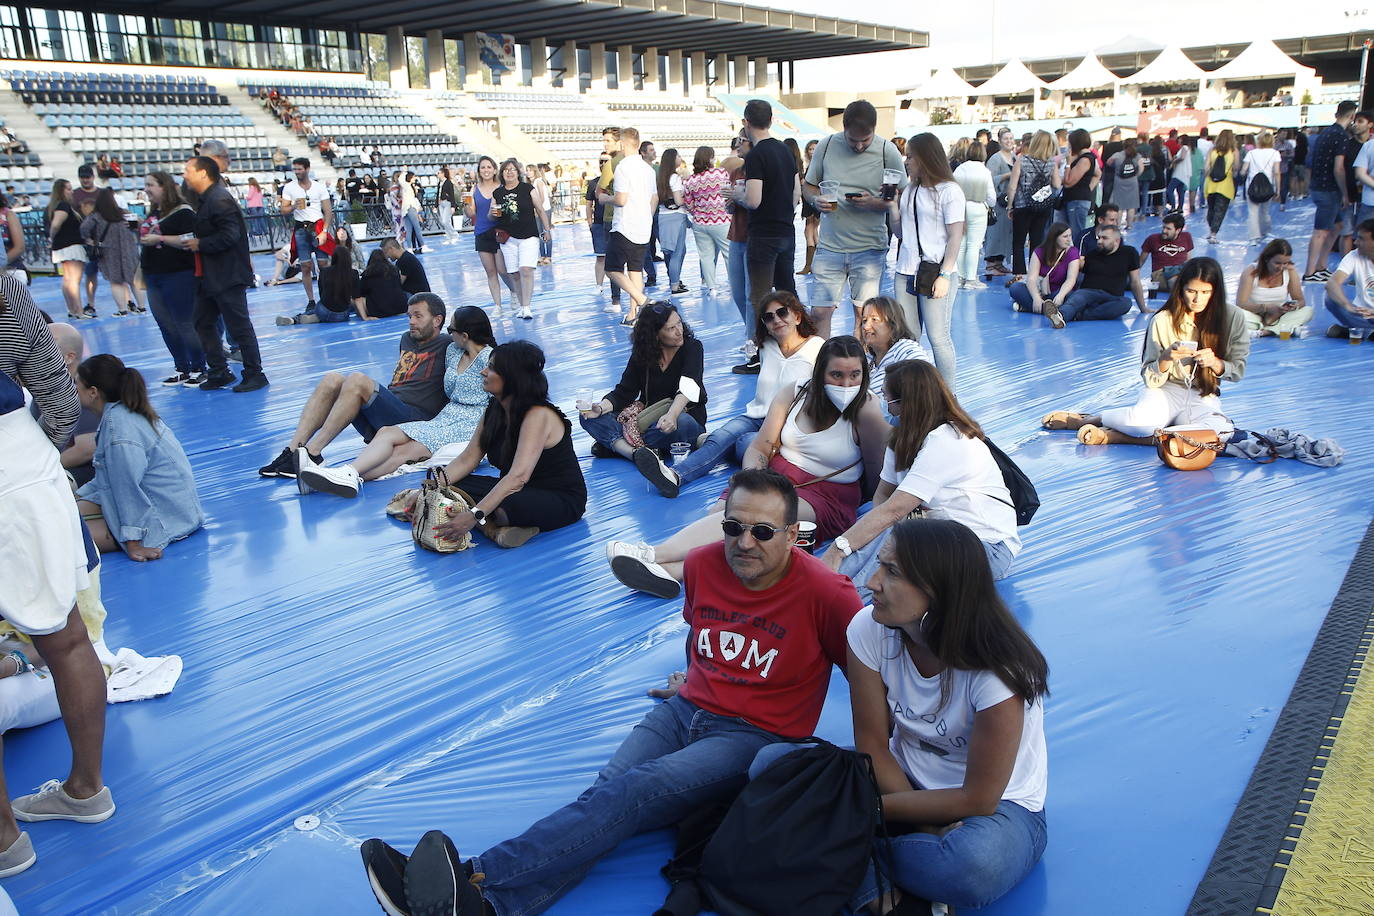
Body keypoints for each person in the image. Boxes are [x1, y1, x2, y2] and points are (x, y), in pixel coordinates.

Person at [363, 469, 860, 915]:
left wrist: (879, 760)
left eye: (763, 532)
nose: (745, 542)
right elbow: (701, 632)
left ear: (794, 535)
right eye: (734, 526)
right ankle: (486, 907)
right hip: (686, 709)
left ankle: (477, 874)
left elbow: (865, 672)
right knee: (604, 799)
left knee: (631, 792)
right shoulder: (705, 564)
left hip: (752, 735)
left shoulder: (825, 593)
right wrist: (694, 678)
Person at [817, 516, 1047, 912]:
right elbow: (873, 744)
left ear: (938, 591)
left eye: (891, 572)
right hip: (898, 782)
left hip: (993, 809)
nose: (872, 582)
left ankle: (835, 854)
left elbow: (978, 797)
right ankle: (875, 878)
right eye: (879, 566)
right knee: (771, 765)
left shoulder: (1000, 672)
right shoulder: (869, 628)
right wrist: (923, 825)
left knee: (973, 866)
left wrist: (859, 814)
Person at [607, 336, 887, 599]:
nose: (846, 384)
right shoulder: (796, 393)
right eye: (836, 375)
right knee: (723, 513)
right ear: (820, 373)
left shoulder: (866, 409)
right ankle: (673, 572)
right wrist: (755, 478)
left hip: (826, 494)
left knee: (756, 518)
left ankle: (655, 554)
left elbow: (877, 473)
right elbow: (760, 446)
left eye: (855, 375)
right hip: (775, 475)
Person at [0, 281, 115, 876]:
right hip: (23, 463)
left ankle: (4, 840)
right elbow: (57, 390)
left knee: (65, 640)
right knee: (68, 636)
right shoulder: (4, 290)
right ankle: (86, 788)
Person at [825, 358, 1021, 595]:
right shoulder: (902, 439)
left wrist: (838, 549)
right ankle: (826, 584)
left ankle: (845, 600)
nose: (886, 407)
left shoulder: (948, 441)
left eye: (889, 399)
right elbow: (883, 498)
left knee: (901, 547)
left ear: (908, 403)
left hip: (986, 550)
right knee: (886, 532)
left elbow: (893, 509)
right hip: (939, 532)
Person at [395, 339, 590, 548]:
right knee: (454, 486)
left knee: (504, 507)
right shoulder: (494, 410)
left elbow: (518, 477)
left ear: (512, 378)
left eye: (492, 368)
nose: (483, 372)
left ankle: (489, 523)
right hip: (517, 490)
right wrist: (430, 489)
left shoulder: (538, 415)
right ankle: (494, 530)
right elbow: (467, 460)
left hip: (558, 499)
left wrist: (473, 515)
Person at [634, 291, 822, 498]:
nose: (776, 320)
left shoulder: (817, 349)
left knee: (743, 444)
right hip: (756, 416)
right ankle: (674, 476)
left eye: (782, 313)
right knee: (721, 437)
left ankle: (744, 477)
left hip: (789, 425)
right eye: (769, 317)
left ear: (797, 316)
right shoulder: (767, 347)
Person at [1043, 256, 1247, 446]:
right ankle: (1092, 419)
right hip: (1166, 389)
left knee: (1220, 433)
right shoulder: (1163, 320)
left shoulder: (1233, 317)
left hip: (1203, 393)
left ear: (1216, 292)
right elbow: (1150, 378)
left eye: (1205, 293)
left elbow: (1237, 370)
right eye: (1191, 291)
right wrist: (1165, 360)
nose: (1197, 300)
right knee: (1142, 424)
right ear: (1181, 289)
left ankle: (1114, 436)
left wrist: (1216, 363)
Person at [299, 306, 495, 497]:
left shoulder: (490, 359)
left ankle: (348, 475)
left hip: (471, 423)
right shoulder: (453, 351)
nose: (448, 334)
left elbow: (498, 398)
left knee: (404, 452)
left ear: (464, 335)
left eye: (451, 330)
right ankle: (346, 474)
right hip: (447, 416)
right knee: (387, 432)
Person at [258, 296, 451, 478]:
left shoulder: (448, 344)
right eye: (410, 316)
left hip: (413, 421)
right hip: (389, 413)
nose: (411, 321)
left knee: (358, 380)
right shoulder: (407, 338)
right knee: (332, 379)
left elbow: (475, 343)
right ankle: (293, 451)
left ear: (437, 320)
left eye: (418, 316)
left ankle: (313, 452)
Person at [71, 354, 202, 559]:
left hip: (165, 522)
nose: (73, 390)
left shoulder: (119, 430)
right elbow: (110, 477)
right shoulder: (123, 413)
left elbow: (127, 488)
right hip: (177, 511)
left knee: (60, 537)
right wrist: (75, 496)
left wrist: (134, 543)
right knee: (64, 515)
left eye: (76, 386)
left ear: (93, 392)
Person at [803, 100, 905, 337]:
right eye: (853, 140)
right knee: (819, 312)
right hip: (830, 246)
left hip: (869, 247)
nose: (859, 146)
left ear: (875, 130)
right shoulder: (827, 146)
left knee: (865, 315)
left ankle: (860, 368)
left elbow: (901, 193)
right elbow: (809, 186)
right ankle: (822, 365)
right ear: (843, 129)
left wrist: (875, 203)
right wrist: (815, 200)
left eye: (865, 140)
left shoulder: (886, 150)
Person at [579, 301, 707, 464]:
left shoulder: (693, 347)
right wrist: (600, 408)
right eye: (670, 328)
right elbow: (624, 392)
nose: (679, 331)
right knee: (587, 417)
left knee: (682, 423)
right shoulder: (643, 354)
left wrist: (672, 415)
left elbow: (689, 386)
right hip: (647, 421)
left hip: (679, 417)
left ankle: (618, 445)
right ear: (655, 335)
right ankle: (635, 453)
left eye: (679, 323)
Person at [183, 156, 266, 393]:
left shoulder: (219, 199)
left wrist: (201, 244)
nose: (185, 175)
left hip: (226, 275)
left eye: (188, 170)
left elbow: (231, 235)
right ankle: (219, 371)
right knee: (202, 321)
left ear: (203, 173)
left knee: (238, 326)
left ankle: (254, 373)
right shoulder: (209, 199)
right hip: (211, 275)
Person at [889, 133, 964, 388]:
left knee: (938, 337)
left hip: (935, 272)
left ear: (925, 158)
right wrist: (891, 207)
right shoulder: (910, 190)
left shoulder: (949, 191)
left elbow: (955, 236)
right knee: (908, 339)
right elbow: (901, 233)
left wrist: (945, 274)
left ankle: (949, 397)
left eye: (911, 156)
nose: (906, 161)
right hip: (905, 271)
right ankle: (915, 394)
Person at [735, 99, 800, 324]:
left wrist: (737, 197)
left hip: (763, 235)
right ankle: (798, 337)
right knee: (787, 291)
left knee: (760, 297)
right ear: (771, 121)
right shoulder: (785, 151)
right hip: (786, 231)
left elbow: (753, 200)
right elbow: (795, 194)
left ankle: (762, 347)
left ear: (746, 122)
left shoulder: (755, 156)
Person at [137, 172, 203, 385]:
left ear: (164, 187)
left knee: (184, 322)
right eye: (145, 185)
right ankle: (181, 366)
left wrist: (161, 238)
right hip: (154, 274)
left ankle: (199, 366)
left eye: (151, 185)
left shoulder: (183, 213)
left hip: (178, 274)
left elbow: (191, 239)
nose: (147, 189)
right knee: (165, 323)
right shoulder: (154, 212)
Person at [600, 129, 655, 325]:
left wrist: (606, 198)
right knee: (635, 269)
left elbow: (621, 199)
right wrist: (646, 216)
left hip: (625, 225)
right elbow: (654, 197)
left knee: (612, 269)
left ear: (622, 145)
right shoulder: (648, 168)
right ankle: (634, 314)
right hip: (643, 225)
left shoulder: (623, 167)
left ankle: (641, 302)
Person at [1303, 103, 1358, 282]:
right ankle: (1310, 272)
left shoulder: (1325, 133)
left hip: (1320, 186)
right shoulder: (1341, 137)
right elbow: (1338, 168)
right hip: (1329, 190)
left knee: (1337, 226)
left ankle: (1321, 266)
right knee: (1321, 231)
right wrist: (1344, 193)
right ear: (1351, 117)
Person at [1052, 225, 1148, 328]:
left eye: (1104, 238)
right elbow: (1076, 268)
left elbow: (1135, 281)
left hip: (1112, 297)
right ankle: (1060, 315)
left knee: (1126, 303)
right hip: (1088, 293)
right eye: (1099, 238)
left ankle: (1079, 315)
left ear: (1117, 241)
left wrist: (1143, 308)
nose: (1099, 241)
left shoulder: (1129, 253)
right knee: (1079, 297)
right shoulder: (1092, 254)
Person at [492, 158, 550, 321]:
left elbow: (540, 209)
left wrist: (546, 229)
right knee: (514, 273)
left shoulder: (528, 189)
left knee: (526, 269)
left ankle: (526, 306)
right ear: (502, 173)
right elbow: (495, 215)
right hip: (508, 237)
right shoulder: (498, 193)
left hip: (528, 235)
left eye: (513, 169)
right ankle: (521, 305)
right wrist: (494, 212)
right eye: (506, 170)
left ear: (518, 172)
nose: (509, 172)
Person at [278, 157, 333, 316]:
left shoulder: (319, 187)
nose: (297, 172)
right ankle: (311, 300)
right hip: (301, 227)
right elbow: (284, 210)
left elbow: (328, 211)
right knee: (305, 266)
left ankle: (326, 296)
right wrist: (295, 205)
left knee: (324, 264)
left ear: (307, 169)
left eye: (299, 169)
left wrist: (324, 231)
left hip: (317, 226)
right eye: (295, 169)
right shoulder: (289, 188)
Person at [463, 155, 518, 314]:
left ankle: (515, 291)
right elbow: (470, 213)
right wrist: (466, 205)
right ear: (479, 171)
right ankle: (498, 305)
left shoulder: (502, 187)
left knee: (502, 269)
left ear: (494, 170)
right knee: (490, 272)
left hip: (500, 232)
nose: (486, 170)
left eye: (489, 167)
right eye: (483, 167)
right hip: (481, 232)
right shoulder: (474, 189)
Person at [860, 295, 927, 420]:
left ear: (893, 324)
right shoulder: (867, 360)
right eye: (864, 321)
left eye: (874, 320)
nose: (866, 326)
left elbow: (924, 381)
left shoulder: (904, 348)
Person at [1006, 130, 1062, 280]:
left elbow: (1012, 186)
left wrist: (1010, 205)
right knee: (1037, 240)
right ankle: (1034, 273)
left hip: (1023, 205)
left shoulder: (1022, 160)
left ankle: (1019, 273)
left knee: (1018, 241)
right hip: (1043, 206)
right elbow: (1057, 184)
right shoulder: (1051, 162)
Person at [79, 188, 140, 318]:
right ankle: (141, 306)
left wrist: (90, 240)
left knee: (115, 281)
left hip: (109, 251)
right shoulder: (123, 213)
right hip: (128, 249)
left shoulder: (96, 216)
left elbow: (84, 229)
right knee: (134, 280)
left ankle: (122, 309)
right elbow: (138, 223)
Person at [1237, 238, 1309, 337]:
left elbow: (1301, 301)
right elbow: (1241, 303)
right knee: (1235, 315)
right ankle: (1284, 328)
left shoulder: (1290, 272)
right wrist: (1265, 308)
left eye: (1285, 263)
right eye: (1277, 263)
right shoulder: (1251, 271)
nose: (1281, 267)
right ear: (1267, 259)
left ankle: (1264, 331)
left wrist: (1294, 306)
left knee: (1308, 311)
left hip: (1279, 315)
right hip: (1255, 314)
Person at [682, 145, 730, 295]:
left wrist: (699, 211)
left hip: (700, 223)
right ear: (710, 159)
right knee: (729, 254)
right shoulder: (721, 173)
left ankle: (712, 287)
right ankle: (735, 283)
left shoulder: (690, 180)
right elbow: (729, 193)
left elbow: (688, 204)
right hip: (721, 220)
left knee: (706, 257)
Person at [1009, 222, 1081, 316]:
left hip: (1058, 292)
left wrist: (1061, 295)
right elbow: (1031, 279)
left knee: (1073, 296)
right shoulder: (1039, 251)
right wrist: (1036, 297)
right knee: (1015, 288)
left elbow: (1071, 279)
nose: (1069, 240)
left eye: (1070, 236)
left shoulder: (1073, 252)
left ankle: (1030, 308)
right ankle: (1050, 311)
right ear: (1055, 238)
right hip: (1041, 292)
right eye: (1065, 236)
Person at [952, 143, 994, 291]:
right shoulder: (985, 171)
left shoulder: (959, 169)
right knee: (974, 245)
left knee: (961, 244)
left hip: (961, 209)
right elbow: (991, 197)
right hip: (978, 208)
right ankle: (971, 279)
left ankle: (959, 278)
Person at [46, 180, 90, 321]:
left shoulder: (54, 206)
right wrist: (51, 238)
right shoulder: (63, 206)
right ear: (61, 191)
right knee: (74, 279)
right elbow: (56, 224)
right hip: (70, 245)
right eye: (68, 189)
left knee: (68, 279)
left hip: (63, 245)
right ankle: (79, 310)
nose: (71, 191)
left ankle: (72, 309)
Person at [1324, 218, 1374, 337]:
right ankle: (1367, 332)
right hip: (1361, 315)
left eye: (1361, 239)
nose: (1355, 242)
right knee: (1331, 300)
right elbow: (1332, 283)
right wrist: (1347, 305)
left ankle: (1355, 332)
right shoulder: (1354, 255)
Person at [984, 128, 1017, 278]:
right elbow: (989, 180)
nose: (1009, 141)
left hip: (1011, 202)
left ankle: (1000, 261)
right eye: (1006, 139)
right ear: (1000, 141)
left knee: (1006, 233)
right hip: (998, 202)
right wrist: (1007, 175)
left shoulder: (1016, 158)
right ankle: (991, 263)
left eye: (1011, 138)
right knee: (995, 233)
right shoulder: (996, 159)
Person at [655, 148, 689, 295]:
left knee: (670, 252)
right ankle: (675, 284)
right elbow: (678, 201)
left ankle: (673, 281)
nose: (680, 158)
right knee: (678, 252)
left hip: (663, 216)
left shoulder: (661, 177)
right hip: (676, 216)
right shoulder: (674, 177)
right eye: (678, 156)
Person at [1242, 132, 1281, 244]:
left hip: (1252, 186)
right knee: (1265, 211)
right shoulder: (1275, 153)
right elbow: (1277, 172)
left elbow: (1244, 170)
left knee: (1252, 212)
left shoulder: (1251, 153)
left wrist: (1242, 173)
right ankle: (1265, 231)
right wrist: (1278, 190)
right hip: (1268, 186)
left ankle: (1254, 237)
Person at [1140, 213, 1195, 291]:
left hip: (1180, 270)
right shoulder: (1152, 239)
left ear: (1178, 230)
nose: (1164, 231)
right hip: (1160, 273)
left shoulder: (1186, 236)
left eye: (1168, 229)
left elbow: (1188, 259)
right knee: (1175, 280)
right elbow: (1140, 261)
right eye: (1163, 227)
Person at [1202, 129, 1239, 244]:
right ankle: (1214, 234)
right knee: (1220, 210)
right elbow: (1236, 167)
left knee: (1211, 209)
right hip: (1225, 184)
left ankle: (1211, 230)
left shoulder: (1212, 150)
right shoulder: (1234, 151)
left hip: (1211, 183)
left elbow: (1206, 168)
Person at [354, 249, 408, 320]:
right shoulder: (395, 270)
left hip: (379, 311)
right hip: (401, 307)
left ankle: (364, 316)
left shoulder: (367, 274)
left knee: (358, 299)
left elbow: (360, 294)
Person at [1107, 136, 1143, 232]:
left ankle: (1118, 225)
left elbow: (1108, 162)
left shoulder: (1118, 155)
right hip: (1132, 181)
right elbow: (1141, 168)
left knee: (1119, 205)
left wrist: (1115, 168)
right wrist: (1135, 176)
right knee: (1131, 205)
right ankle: (1129, 225)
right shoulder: (1137, 156)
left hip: (1119, 181)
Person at [798, 138, 820, 275]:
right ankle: (813, 263)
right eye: (810, 149)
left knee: (809, 231)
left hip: (813, 200)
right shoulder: (812, 164)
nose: (812, 152)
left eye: (814, 149)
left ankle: (809, 265)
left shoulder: (817, 165)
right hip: (809, 200)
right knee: (813, 231)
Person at [1167, 136, 1193, 214]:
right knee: (1180, 191)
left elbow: (1182, 157)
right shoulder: (1187, 148)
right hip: (1184, 173)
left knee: (1170, 189)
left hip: (1180, 172)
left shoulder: (1184, 148)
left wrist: (1174, 161)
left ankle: (1173, 207)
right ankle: (1180, 207)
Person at [436, 167, 459, 242]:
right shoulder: (439, 183)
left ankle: (454, 234)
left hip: (447, 202)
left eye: (439, 173)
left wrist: (453, 206)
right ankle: (449, 237)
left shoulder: (448, 183)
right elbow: (438, 194)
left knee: (445, 221)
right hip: (440, 203)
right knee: (444, 221)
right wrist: (436, 205)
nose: (437, 174)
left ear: (443, 174)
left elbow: (452, 195)